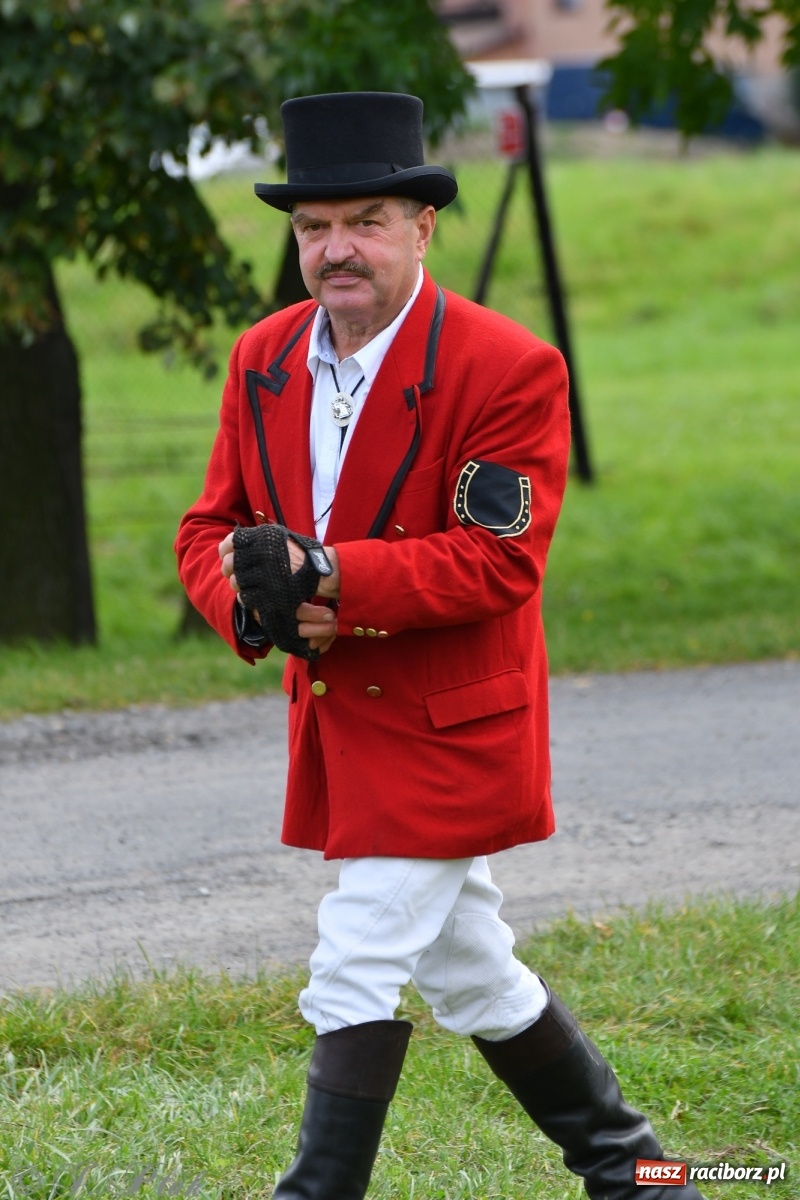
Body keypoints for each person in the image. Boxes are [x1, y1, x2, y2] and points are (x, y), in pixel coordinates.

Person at [176, 91, 702, 1200]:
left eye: (363, 220)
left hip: (451, 727)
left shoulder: (507, 366)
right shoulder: (261, 356)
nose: (335, 249)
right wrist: (256, 608)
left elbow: (497, 561)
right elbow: (209, 526)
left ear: (421, 225)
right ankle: (640, 1172)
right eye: (313, 227)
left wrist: (330, 578)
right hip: (337, 725)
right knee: (470, 976)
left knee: (355, 957)